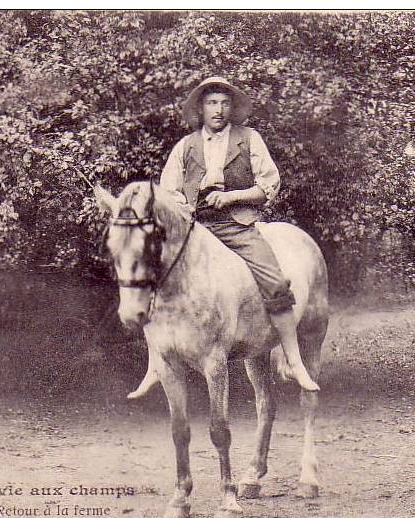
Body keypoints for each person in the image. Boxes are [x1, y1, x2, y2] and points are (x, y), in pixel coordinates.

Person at [128, 76, 319, 396]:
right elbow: (168, 191)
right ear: (201, 109)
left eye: (224, 103)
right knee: (152, 275)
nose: (218, 110)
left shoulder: (249, 139)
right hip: (195, 228)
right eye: (211, 103)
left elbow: (269, 186)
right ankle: (155, 363)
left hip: (237, 225)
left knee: (274, 278)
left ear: (232, 108)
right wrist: (187, 205)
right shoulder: (185, 146)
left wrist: (232, 197)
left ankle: (293, 357)